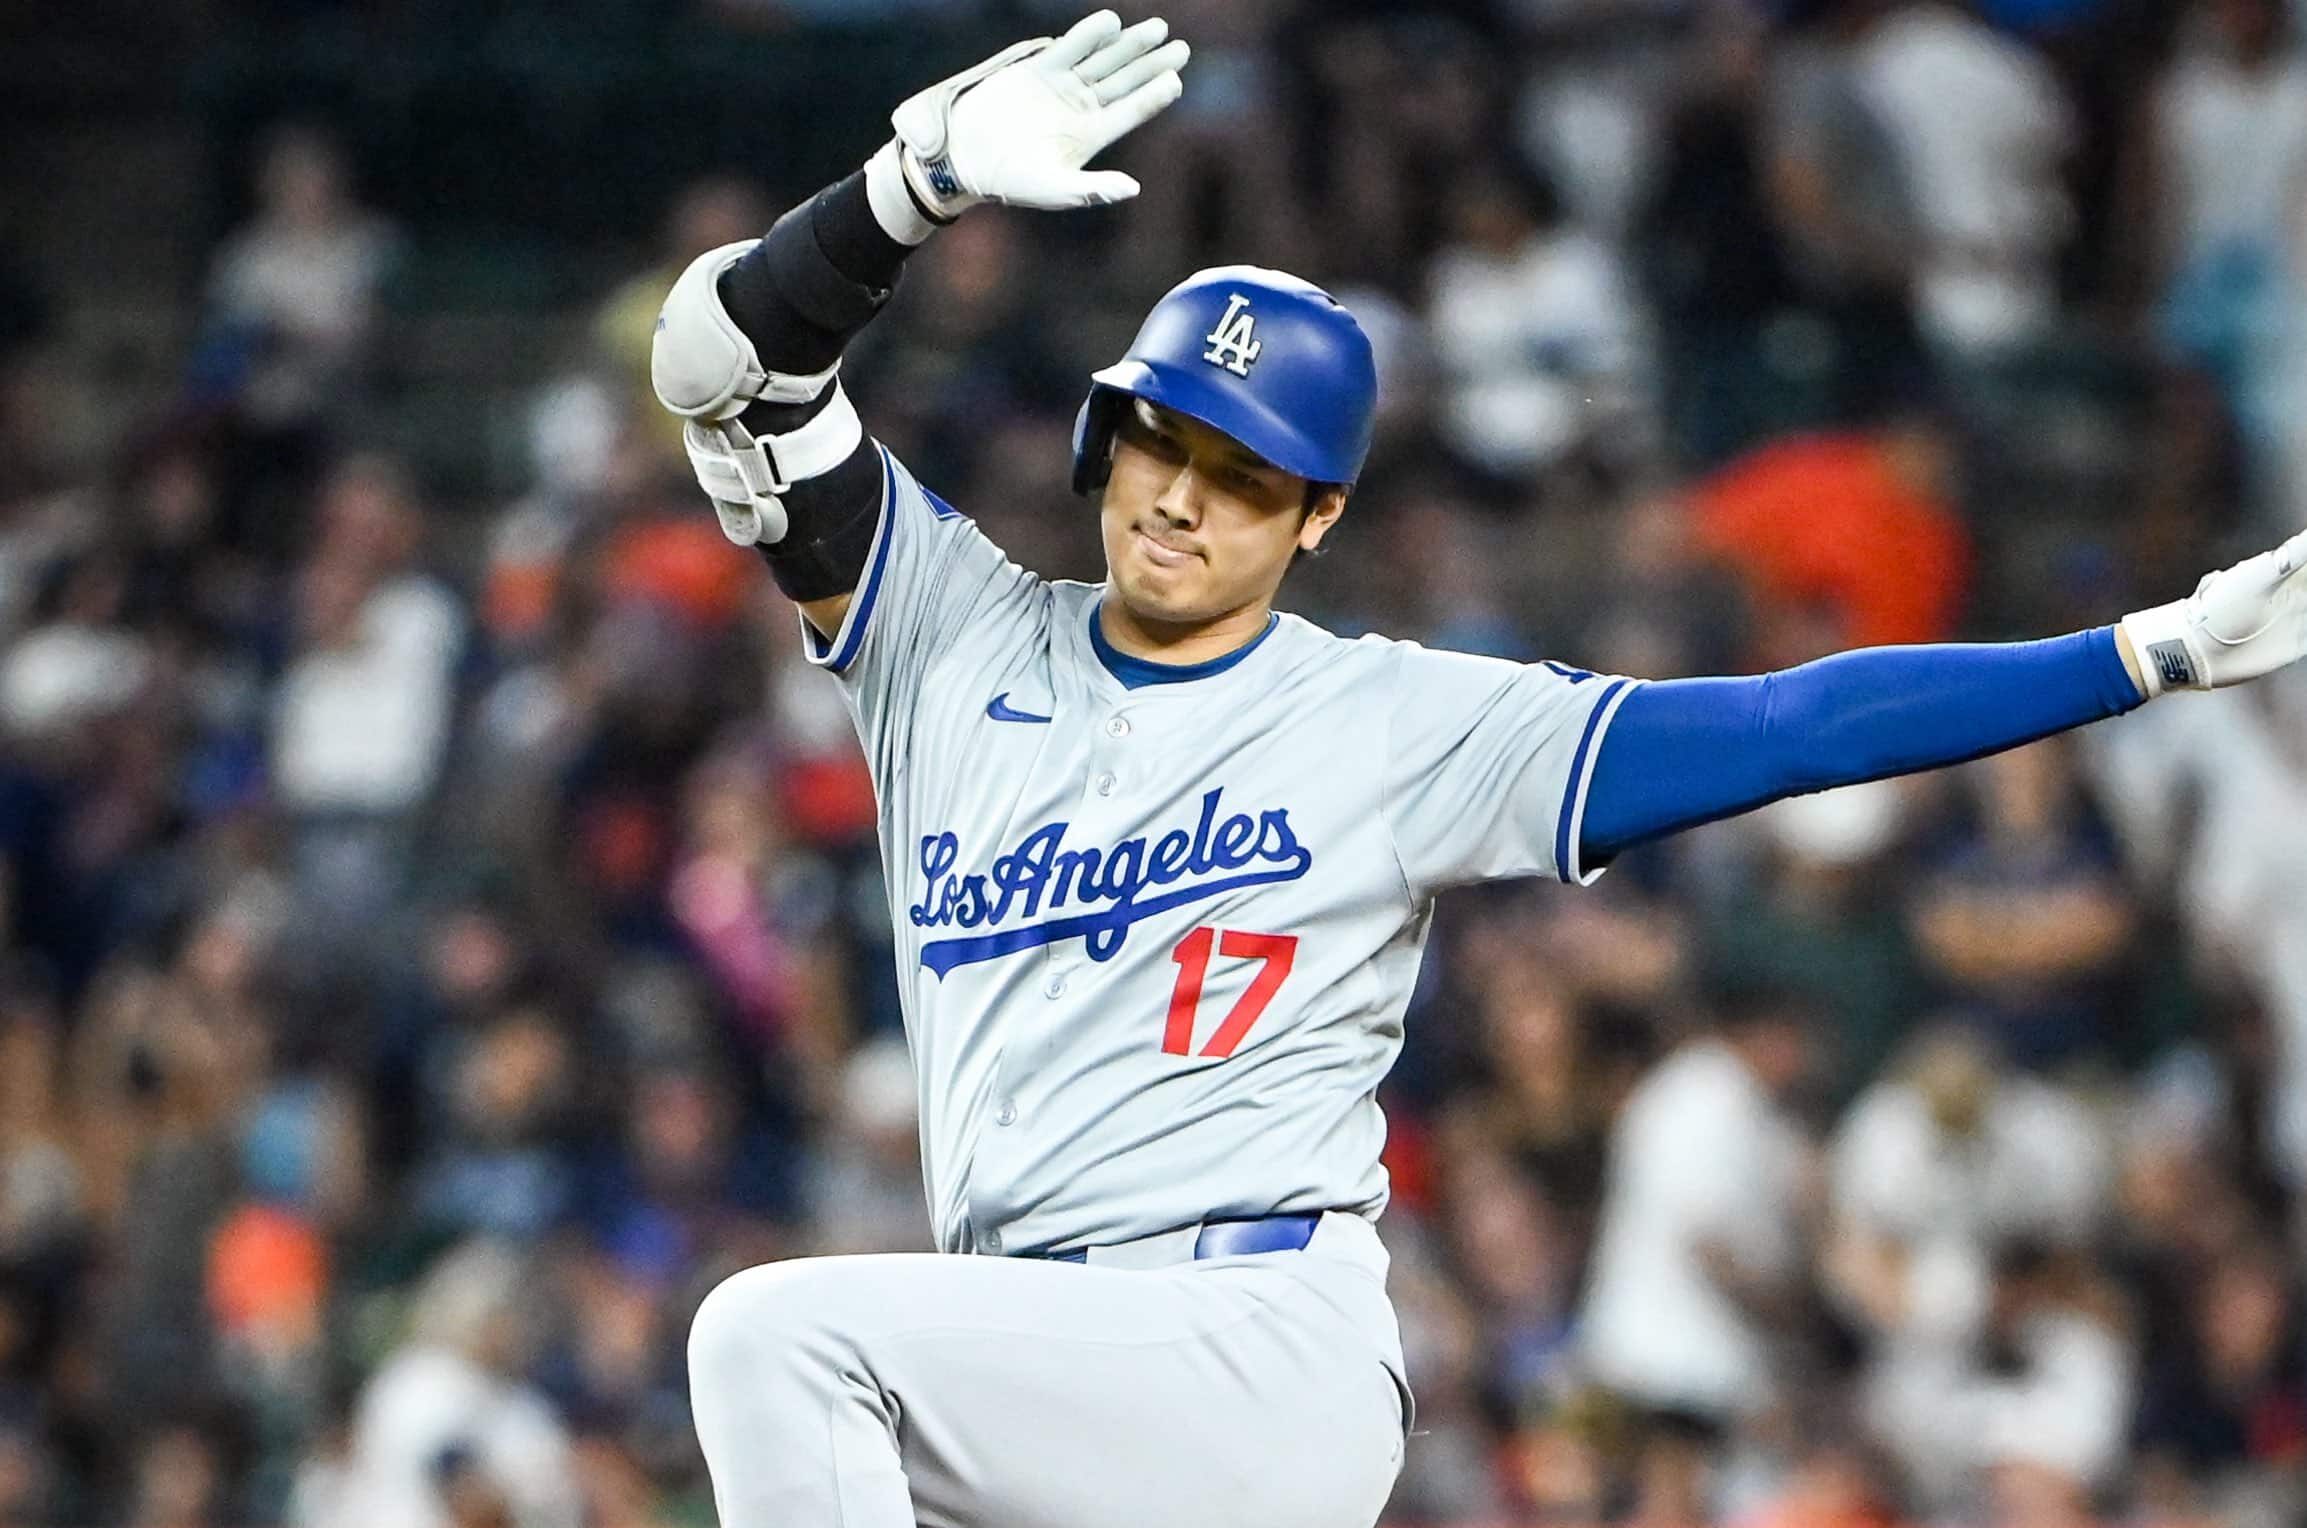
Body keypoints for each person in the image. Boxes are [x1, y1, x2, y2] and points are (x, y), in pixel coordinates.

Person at [648, 13, 2307, 1527]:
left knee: (773, 1338)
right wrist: (905, 190)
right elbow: (717, 369)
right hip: (1031, 1369)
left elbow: (1793, 725)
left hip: (1243, 1342)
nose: (1179, 497)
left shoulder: (1395, 719)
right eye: (1160, 439)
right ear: (1106, 437)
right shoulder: (944, 629)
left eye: (1243, 474)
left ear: (1318, 517)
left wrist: (2132, 657)